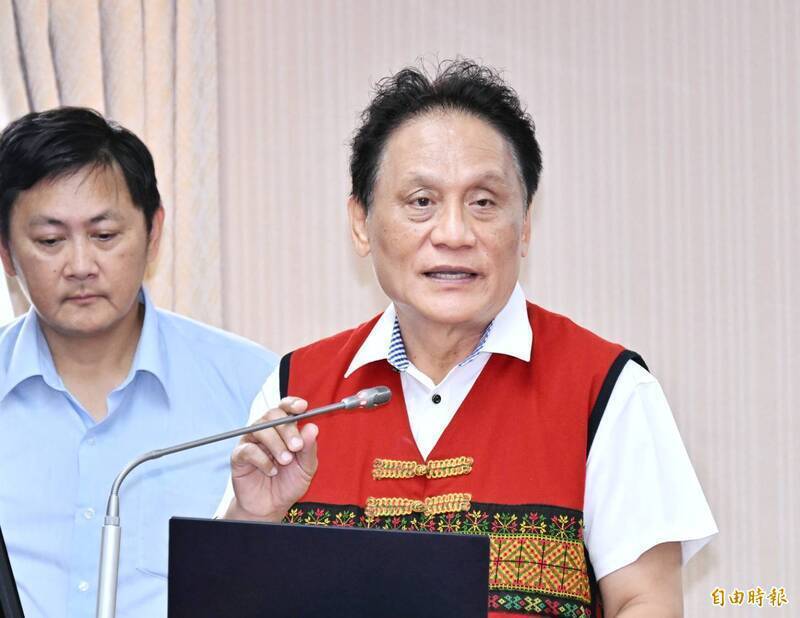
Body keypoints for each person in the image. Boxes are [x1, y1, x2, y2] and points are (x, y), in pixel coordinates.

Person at [219, 60, 717, 617]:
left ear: (524, 225)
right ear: (361, 223)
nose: (454, 234)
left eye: (483, 202)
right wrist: (254, 519)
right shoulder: (298, 391)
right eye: (421, 202)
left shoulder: (607, 389)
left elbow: (645, 602)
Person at [0, 107, 277, 618]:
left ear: (153, 233)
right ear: (6, 252)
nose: (80, 266)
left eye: (105, 235)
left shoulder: (253, 389)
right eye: (50, 241)